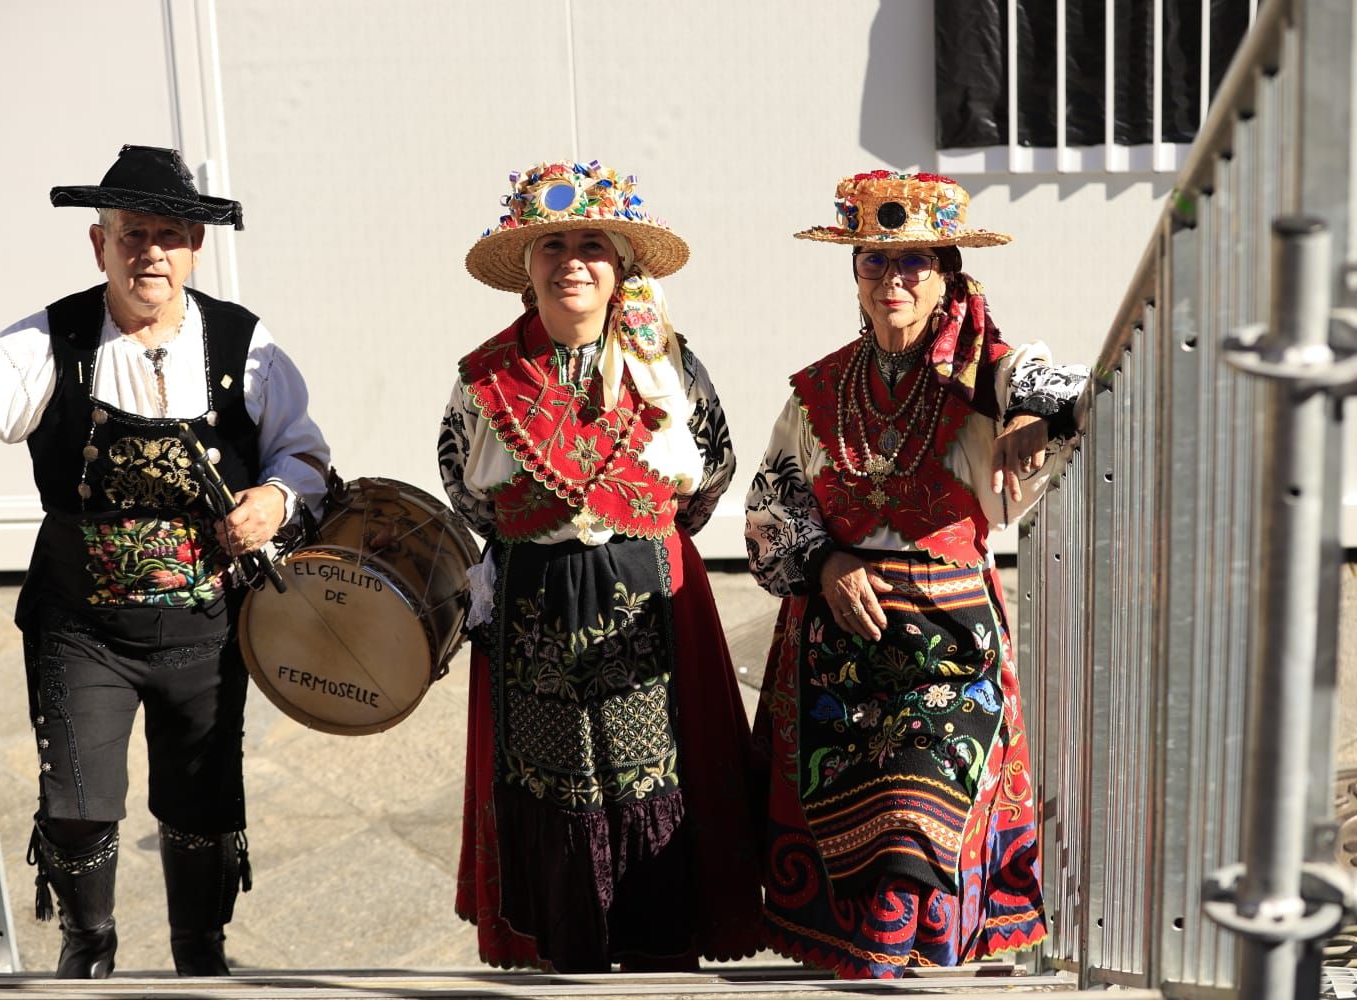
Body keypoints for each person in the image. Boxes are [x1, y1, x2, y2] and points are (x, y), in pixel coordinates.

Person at [0, 145, 330, 978]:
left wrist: (273, 500)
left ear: (196, 245)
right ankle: (86, 948)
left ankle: (202, 958)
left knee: (201, 808)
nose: (150, 253)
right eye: (132, 234)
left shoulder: (245, 343)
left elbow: (303, 457)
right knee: (79, 808)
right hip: (81, 625)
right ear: (100, 246)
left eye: (168, 234)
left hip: (208, 625)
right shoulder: (48, 341)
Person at [744, 170, 1087, 978]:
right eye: (874, 262)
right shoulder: (818, 390)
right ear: (854, 273)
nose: (893, 281)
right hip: (838, 640)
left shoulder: (993, 377)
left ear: (947, 275)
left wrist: (1033, 414)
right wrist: (825, 562)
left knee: (912, 826)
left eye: (915, 264)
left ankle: (895, 973)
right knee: (848, 839)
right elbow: (770, 504)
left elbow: (1084, 394)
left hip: (948, 637)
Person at [441, 159, 763, 972]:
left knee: (657, 775)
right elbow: (461, 486)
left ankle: (659, 951)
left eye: (592, 244)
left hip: (648, 597)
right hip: (532, 608)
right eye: (552, 245)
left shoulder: (672, 368)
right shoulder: (485, 379)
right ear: (528, 268)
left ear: (622, 266)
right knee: (548, 780)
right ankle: (568, 951)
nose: (572, 262)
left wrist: (627, 533)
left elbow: (710, 475)